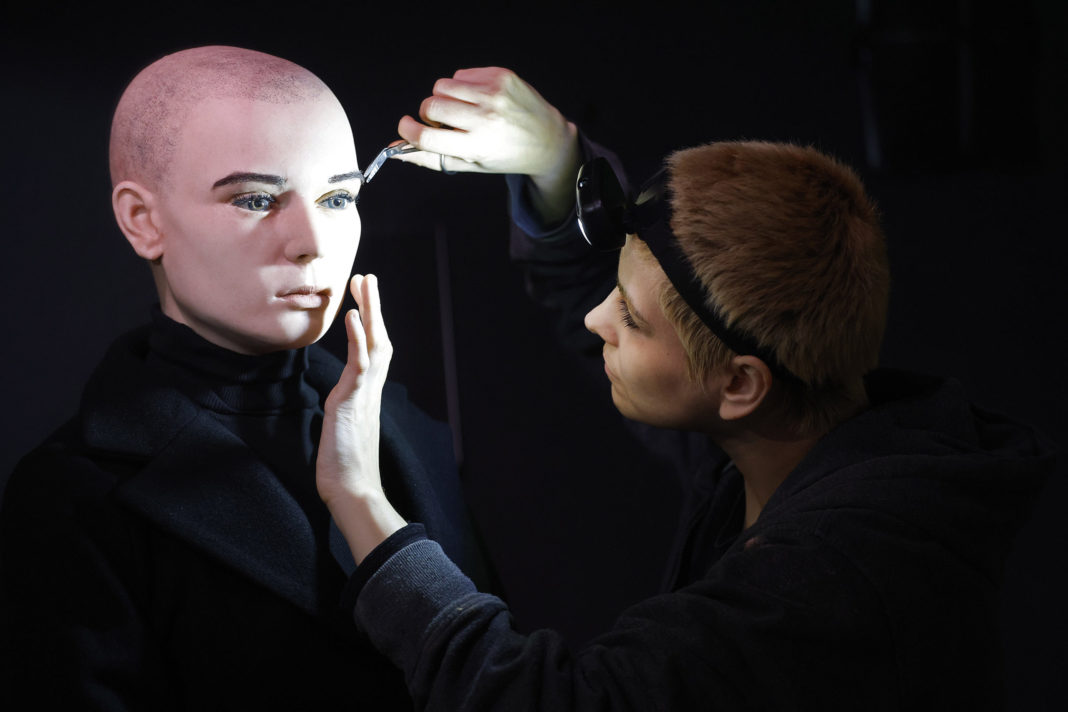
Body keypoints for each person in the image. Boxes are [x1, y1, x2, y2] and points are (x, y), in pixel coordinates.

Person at [314, 67, 1055, 710]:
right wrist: (556, 161)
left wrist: (361, 501)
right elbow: (650, 298)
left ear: (739, 382)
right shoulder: (788, 441)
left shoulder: (829, 583)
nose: (595, 315)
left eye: (629, 320)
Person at [0, 46, 490, 710]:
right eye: (257, 199)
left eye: (339, 195)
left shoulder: (408, 426)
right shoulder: (73, 498)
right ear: (141, 220)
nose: (312, 241)